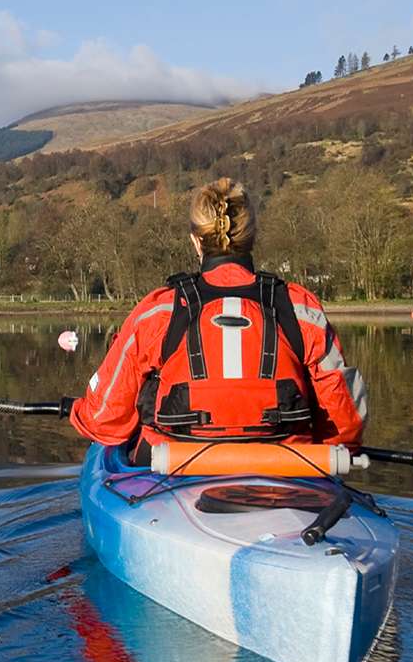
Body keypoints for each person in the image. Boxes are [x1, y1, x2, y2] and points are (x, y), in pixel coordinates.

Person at [70, 178, 366, 455]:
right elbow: (345, 425)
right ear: (253, 237)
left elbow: (103, 421)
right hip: (286, 476)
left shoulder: (157, 312)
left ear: (196, 241)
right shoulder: (301, 310)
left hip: (171, 475)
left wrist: (78, 411)